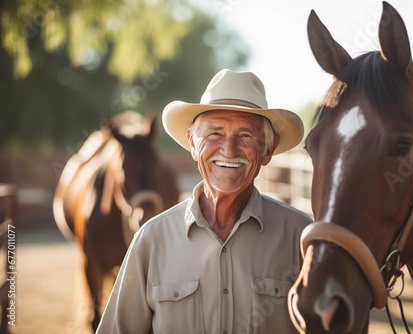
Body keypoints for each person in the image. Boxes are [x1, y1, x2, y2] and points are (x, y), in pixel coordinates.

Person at [96, 69, 312, 334]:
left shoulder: (301, 237)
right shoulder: (151, 240)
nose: (229, 150)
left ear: (269, 149)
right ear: (193, 143)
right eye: (215, 133)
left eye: (246, 135)